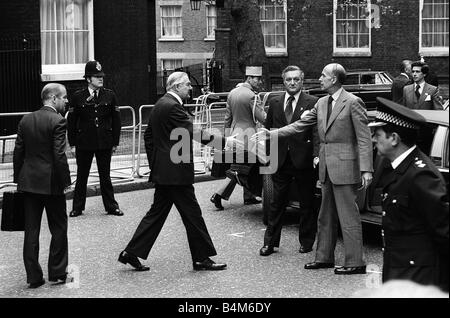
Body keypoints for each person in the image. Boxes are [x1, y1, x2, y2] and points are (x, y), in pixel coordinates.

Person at [252, 63, 373, 275]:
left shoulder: (353, 102)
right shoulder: (322, 103)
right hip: (326, 168)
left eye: (323, 75)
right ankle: (324, 257)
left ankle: (356, 261)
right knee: (324, 216)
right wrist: (274, 133)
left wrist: (366, 169)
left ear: (334, 79)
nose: (320, 78)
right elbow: (301, 124)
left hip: (345, 167)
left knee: (348, 217)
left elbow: (364, 138)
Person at [118, 72, 233, 272]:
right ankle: (201, 259)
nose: (191, 87)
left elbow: (149, 137)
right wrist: (225, 142)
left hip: (167, 172)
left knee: (157, 214)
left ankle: (131, 252)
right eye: (187, 84)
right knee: (193, 215)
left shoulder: (161, 104)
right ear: (176, 87)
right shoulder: (172, 107)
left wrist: (157, 165)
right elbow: (195, 133)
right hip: (175, 173)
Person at [369, 97, 449, 292]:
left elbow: (444, 231)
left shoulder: (420, 175)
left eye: (377, 134)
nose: (373, 139)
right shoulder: (401, 168)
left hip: (418, 279)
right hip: (402, 272)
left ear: (394, 138)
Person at [13, 83, 72, 288]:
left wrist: (18, 178)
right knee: (58, 227)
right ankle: (57, 272)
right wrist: (66, 182)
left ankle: (34, 277)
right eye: (64, 97)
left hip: (29, 183)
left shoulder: (26, 119)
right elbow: (59, 155)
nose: (66, 101)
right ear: (53, 98)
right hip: (51, 183)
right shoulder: (58, 120)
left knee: (31, 230)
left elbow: (18, 152)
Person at [259, 65, 320, 256]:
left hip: (303, 160)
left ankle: (307, 241)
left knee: (306, 203)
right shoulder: (275, 103)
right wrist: (269, 157)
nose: (292, 83)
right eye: (288, 80)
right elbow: (268, 131)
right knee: (276, 204)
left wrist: (316, 155)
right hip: (280, 160)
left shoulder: (313, 102)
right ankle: (270, 243)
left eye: (296, 79)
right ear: (283, 81)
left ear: (302, 81)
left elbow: (316, 132)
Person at [67, 60, 123, 217]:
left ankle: (111, 206)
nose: (101, 79)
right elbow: (71, 122)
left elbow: (116, 121)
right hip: (84, 143)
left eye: (101, 76)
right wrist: (72, 143)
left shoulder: (110, 95)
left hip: (104, 142)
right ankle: (77, 207)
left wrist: (115, 141)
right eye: (96, 76)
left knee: (105, 176)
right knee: (82, 176)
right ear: (88, 79)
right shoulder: (78, 97)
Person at [210, 66, 266, 210]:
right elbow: (262, 117)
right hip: (249, 135)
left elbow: (227, 117)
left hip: (235, 134)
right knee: (241, 169)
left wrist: (227, 136)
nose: (259, 82)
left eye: (259, 78)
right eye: (257, 79)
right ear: (249, 78)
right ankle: (218, 194)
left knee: (244, 167)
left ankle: (248, 196)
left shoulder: (232, 93)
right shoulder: (252, 96)